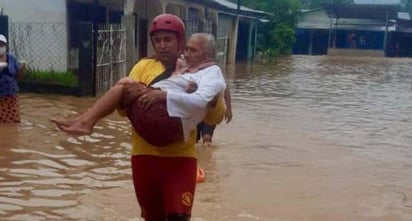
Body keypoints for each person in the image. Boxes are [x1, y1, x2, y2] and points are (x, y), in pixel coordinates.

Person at [55, 14, 226, 221]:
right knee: (151, 218)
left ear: (181, 42)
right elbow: (122, 110)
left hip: (181, 159)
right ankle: (85, 122)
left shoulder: (202, 73)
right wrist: (149, 104)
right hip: (144, 157)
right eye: (157, 40)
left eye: (168, 40)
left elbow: (214, 119)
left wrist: (212, 99)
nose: (162, 45)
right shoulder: (143, 67)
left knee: (180, 218)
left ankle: (85, 122)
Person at [0, 34, 25, 124]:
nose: (0, 47)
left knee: (13, 123)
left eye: (1, 44)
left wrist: (22, 69)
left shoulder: (12, 58)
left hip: (10, 97)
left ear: (6, 46)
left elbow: (19, 77)